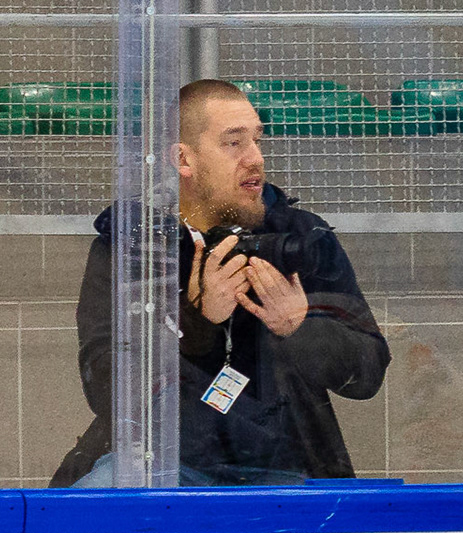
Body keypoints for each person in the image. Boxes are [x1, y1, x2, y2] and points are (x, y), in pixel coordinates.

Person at [53, 79, 388, 487]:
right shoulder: (133, 246)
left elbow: (368, 373)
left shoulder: (301, 240)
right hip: (160, 461)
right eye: (234, 143)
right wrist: (197, 322)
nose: (255, 158)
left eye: (257, 140)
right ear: (184, 159)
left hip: (284, 467)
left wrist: (301, 326)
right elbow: (107, 385)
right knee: (102, 494)